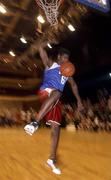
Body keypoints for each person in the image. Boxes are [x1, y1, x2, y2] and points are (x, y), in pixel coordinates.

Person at [24, 40, 83, 174]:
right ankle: (35, 123)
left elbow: (73, 85)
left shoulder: (67, 72)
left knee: (56, 129)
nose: (65, 61)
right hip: (45, 93)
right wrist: (48, 41)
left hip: (55, 101)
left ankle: (51, 159)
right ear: (58, 57)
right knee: (57, 92)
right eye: (64, 58)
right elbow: (39, 47)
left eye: (67, 59)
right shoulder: (51, 64)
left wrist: (79, 101)